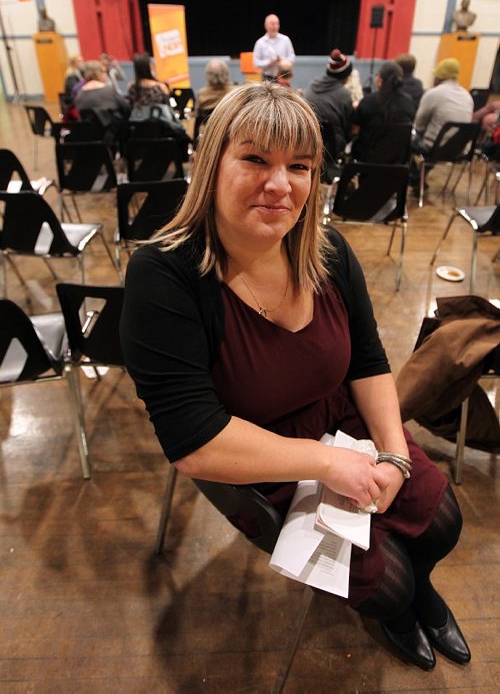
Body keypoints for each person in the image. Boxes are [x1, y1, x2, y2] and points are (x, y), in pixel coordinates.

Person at [121, 81, 470, 672]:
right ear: (212, 164)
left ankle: (423, 593)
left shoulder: (327, 249)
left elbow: (367, 362)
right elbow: (196, 440)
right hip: (259, 458)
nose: (280, 184)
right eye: (255, 158)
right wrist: (327, 463)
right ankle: (400, 608)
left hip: (343, 425)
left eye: (300, 166)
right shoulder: (164, 276)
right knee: (386, 582)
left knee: (441, 522)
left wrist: (393, 455)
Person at [351, 61, 415, 162]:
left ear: (380, 80)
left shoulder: (368, 101)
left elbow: (355, 128)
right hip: (398, 161)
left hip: (367, 160)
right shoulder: (408, 102)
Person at [304, 48, 354, 174]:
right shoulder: (344, 95)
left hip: (306, 142)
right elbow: (348, 129)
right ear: (345, 76)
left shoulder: (311, 86)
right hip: (332, 149)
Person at [413, 58, 473, 154]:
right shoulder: (467, 96)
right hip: (458, 150)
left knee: (404, 140)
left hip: (432, 148)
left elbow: (419, 125)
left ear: (438, 77)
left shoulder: (433, 93)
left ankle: (412, 169)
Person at [75, 60, 130, 146]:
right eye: (104, 72)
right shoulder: (108, 90)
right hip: (110, 135)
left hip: (88, 136)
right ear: (99, 73)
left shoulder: (80, 93)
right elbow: (126, 108)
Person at [253, 14, 295, 80]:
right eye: (272, 24)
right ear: (266, 25)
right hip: (267, 78)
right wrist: (269, 62)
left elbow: (292, 57)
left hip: (283, 77)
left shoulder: (285, 39)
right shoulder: (260, 42)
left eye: (277, 23)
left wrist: (283, 60)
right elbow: (256, 62)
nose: (275, 26)